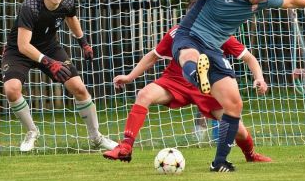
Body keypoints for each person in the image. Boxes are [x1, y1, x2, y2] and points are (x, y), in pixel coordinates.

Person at [121, 0, 305, 172]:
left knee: (234, 104)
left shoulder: (262, 1)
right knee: (189, 55)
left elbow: (290, 0)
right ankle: (197, 75)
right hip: (190, 36)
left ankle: (219, 162)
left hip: (213, 49)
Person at [103, 23, 272, 163]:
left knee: (239, 130)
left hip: (208, 88)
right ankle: (126, 146)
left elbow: (249, 58)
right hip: (175, 81)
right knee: (144, 94)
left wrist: (259, 78)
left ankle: (250, 156)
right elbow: (153, 56)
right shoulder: (176, 32)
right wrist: (129, 77)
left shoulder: (220, 34)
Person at [2, 0, 117, 152]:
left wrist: (84, 43)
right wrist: (49, 63)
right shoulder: (30, 7)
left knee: (79, 88)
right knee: (12, 90)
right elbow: (24, 46)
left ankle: (96, 137)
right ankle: (32, 131)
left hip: (49, 47)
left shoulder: (66, 2)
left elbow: (71, 18)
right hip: (19, 51)